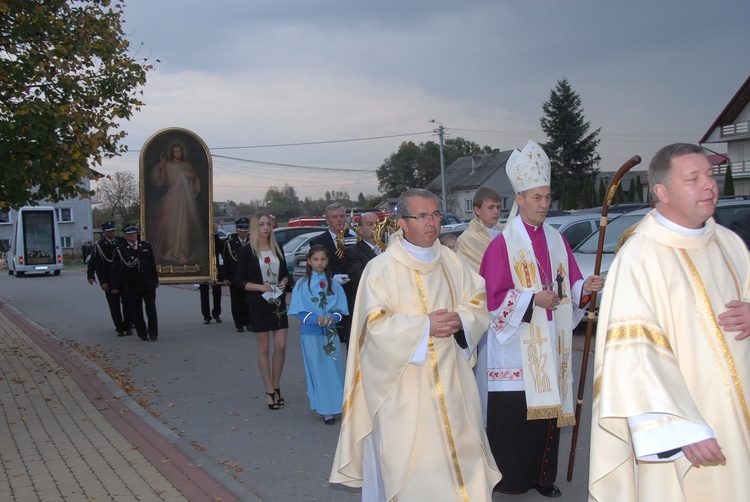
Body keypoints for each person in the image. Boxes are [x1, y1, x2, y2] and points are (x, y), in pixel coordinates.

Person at [589, 143, 750, 501]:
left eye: (709, 175)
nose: (709, 185)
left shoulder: (729, 244)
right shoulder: (640, 257)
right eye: (693, 178)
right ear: (661, 192)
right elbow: (632, 357)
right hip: (693, 429)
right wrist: (678, 428)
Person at [330, 188, 501, 501]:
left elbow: (477, 301)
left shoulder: (453, 262)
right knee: (414, 476)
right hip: (404, 395)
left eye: (435, 214)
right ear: (403, 223)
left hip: (454, 389)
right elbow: (373, 328)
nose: (432, 222)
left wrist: (461, 320)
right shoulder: (380, 269)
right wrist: (425, 327)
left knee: (463, 467)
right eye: (422, 216)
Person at [478, 140, 603, 498]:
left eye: (548, 198)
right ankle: (511, 481)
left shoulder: (556, 239)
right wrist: (533, 299)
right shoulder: (502, 245)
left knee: (547, 419)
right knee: (517, 420)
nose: (544, 205)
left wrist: (584, 287)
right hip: (518, 349)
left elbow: (570, 283)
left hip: (553, 342)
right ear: (518, 199)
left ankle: (542, 478)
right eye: (537, 198)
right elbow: (491, 300)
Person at [235, 212, 290, 410]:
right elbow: (239, 281)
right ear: (255, 228)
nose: (266, 228)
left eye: (268, 224)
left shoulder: (277, 247)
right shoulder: (247, 251)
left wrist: (283, 282)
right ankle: (269, 389)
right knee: (264, 348)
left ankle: (276, 385)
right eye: (262, 225)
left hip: (278, 301)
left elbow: (285, 274)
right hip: (258, 303)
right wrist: (260, 287)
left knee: (281, 346)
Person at [288, 245, 348, 425]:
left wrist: (333, 318)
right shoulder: (302, 284)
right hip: (311, 334)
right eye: (315, 259)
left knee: (334, 368)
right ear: (309, 261)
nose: (319, 263)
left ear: (327, 261)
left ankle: (339, 405)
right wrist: (316, 319)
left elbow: (340, 309)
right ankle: (325, 410)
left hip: (330, 333)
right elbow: (299, 311)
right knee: (318, 370)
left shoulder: (334, 284)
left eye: (323, 259)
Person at [148, 142, 204, 264]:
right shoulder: (167, 165)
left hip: (184, 200)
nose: (177, 154)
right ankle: (170, 250)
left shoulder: (187, 165)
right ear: (172, 153)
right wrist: (161, 166)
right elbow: (158, 179)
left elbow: (195, 182)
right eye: (175, 151)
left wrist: (191, 177)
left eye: (179, 151)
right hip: (172, 198)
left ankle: (183, 252)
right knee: (171, 225)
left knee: (183, 226)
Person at [308, 202, 356, 345]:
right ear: (327, 220)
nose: (339, 220)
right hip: (330, 294)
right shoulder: (318, 242)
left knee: (351, 337)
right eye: (335, 217)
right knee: (332, 340)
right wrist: (331, 277)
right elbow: (315, 268)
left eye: (342, 216)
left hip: (352, 293)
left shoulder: (353, 238)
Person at [110, 223, 159, 341]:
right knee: (137, 310)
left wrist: (155, 279)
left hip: (148, 283)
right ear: (125, 235)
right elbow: (116, 269)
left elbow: (152, 264)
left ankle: (153, 333)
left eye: (134, 233)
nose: (133, 236)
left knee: (151, 308)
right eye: (130, 234)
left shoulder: (145, 245)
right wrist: (114, 285)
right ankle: (142, 333)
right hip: (132, 285)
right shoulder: (120, 250)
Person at [87, 221, 131, 336]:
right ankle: (119, 327)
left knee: (127, 303)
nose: (112, 233)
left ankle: (128, 325)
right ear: (104, 233)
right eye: (109, 231)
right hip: (110, 279)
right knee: (114, 305)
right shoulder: (99, 246)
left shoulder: (120, 241)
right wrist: (99, 280)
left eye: (113, 231)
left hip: (124, 278)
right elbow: (95, 263)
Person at [454, 186, 504, 271]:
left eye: (498, 207)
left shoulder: (506, 233)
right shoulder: (465, 241)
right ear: (477, 210)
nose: (496, 211)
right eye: (491, 208)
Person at [222, 217, 251, 332]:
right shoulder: (230, 243)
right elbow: (226, 262)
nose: (243, 234)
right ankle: (239, 323)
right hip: (235, 277)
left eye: (245, 231)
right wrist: (225, 277)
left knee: (248, 300)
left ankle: (249, 322)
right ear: (237, 230)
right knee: (236, 301)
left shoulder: (253, 242)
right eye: (241, 231)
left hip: (250, 277)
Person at [343, 212, 381, 299]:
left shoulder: (390, 248)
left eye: (378, 224)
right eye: (370, 224)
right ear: (360, 230)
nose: (375, 227)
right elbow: (360, 278)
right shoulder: (353, 252)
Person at [200, 224, 224, 324]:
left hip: (215, 268)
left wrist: (215, 234)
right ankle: (206, 316)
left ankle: (216, 313)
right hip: (203, 268)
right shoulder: (200, 238)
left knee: (217, 292)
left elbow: (220, 248)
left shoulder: (215, 238)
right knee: (204, 293)